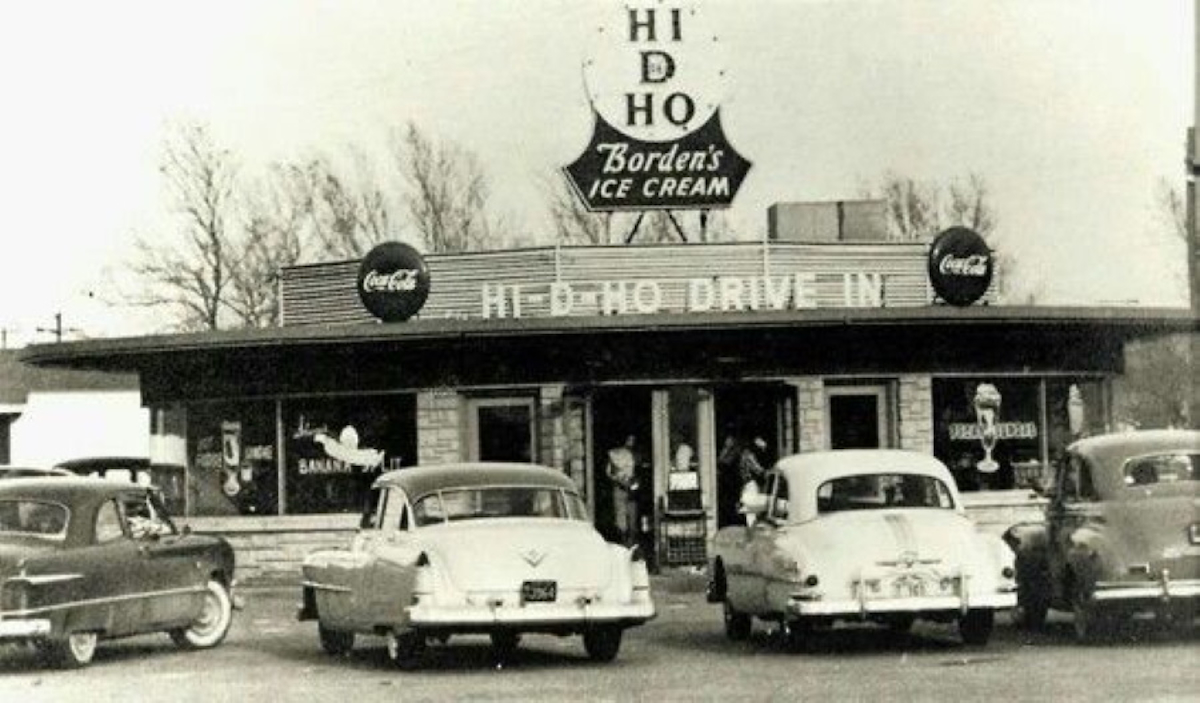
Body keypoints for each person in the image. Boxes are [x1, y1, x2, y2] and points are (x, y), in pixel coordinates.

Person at [606, 435, 640, 545]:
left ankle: (631, 542)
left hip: (631, 487)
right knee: (620, 518)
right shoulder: (613, 454)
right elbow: (609, 472)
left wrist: (634, 482)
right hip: (619, 487)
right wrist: (618, 480)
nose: (631, 442)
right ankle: (623, 541)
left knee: (632, 517)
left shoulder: (635, 454)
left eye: (633, 439)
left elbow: (638, 470)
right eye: (630, 439)